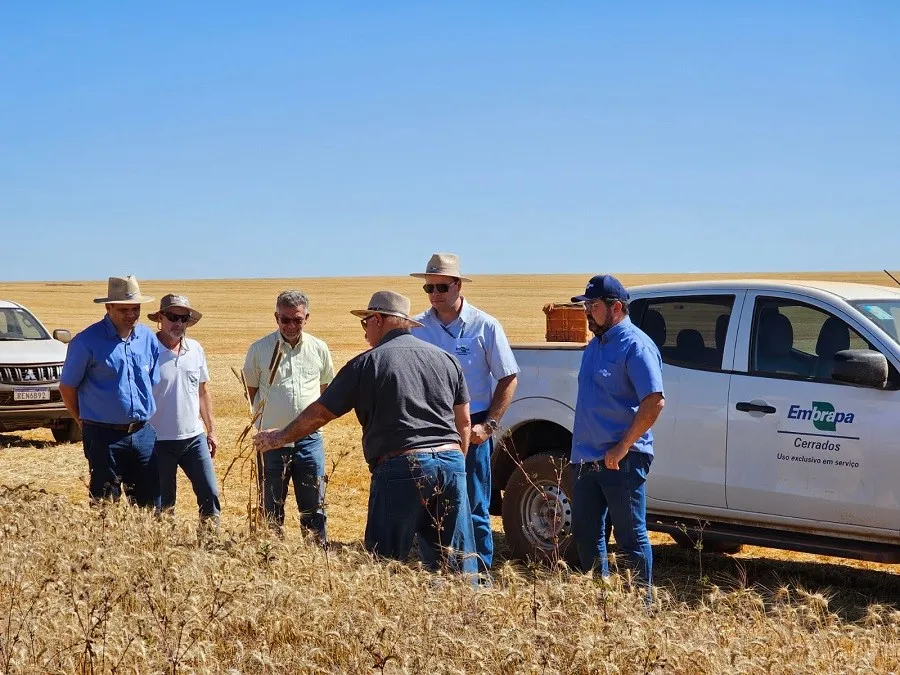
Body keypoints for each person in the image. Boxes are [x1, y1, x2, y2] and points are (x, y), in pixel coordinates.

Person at [253, 291, 477, 574]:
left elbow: (321, 412)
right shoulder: (446, 360)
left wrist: (280, 436)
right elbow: (464, 422)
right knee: (454, 561)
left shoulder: (367, 363)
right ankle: (466, 612)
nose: (365, 332)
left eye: (366, 323)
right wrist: (455, 464)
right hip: (452, 464)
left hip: (401, 467)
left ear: (379, 320)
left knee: (385, 565)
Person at [410, 252, 519, 573]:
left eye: (441, 287)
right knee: (431, 503)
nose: (434, 295)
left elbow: (508, 376)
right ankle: (438, 571)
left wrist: (489, 425)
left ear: (458, 285)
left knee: (473, 506)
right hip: (429, 427)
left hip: (473, 428)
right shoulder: (416, 327)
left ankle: (479, 575)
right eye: (428, 288)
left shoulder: (485, 326)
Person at [569, 275, 665, 596]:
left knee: (630, 537)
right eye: (586, 305)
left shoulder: (636, 345)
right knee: (586, 534)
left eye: (593, 306)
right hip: (585, 458)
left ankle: (641, 608)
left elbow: (654, 401)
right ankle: (602, 605)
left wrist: (623, 447)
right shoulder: (594, 346)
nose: (587, 312)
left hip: (621, 460)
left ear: (616, 308)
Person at [59, 275, 161, 508]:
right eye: (124, 309)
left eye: (135, 309)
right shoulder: (86, 341)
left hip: (143, 434)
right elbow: (67, 386)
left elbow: (151, 380)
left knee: (151, 506)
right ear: (108, 307)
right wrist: (82, 421)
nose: (131, 315)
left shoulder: (147, 338)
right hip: (104, 437)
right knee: (106, 506)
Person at [243, 290, 334, 541]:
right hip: (271, 442)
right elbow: (251, 392)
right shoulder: (259, 349)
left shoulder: (319, 349)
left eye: (298, 319)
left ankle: (316, 554)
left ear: (307, 318)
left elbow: (325, 394)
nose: (292, 325)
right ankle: (271, 555)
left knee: (314, 506)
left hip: (310, 440)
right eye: (285, 319)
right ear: (276, 317)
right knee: (272, 506)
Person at [148, 294, 221, 523]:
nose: (178, 324)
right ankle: (163, 550)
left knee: (210, 494)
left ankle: (210, 546)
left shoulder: (196, 349)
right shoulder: (147, 350)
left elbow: (202, 391)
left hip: (194, 438)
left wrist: (211, 431)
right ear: (160, 318)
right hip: (158, 441)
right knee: (163, 503)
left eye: (184, 318)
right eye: (172, 317)